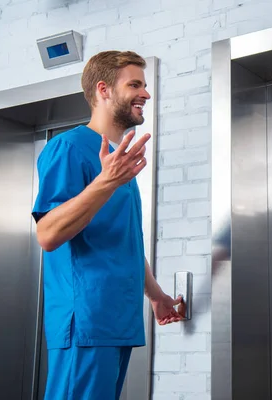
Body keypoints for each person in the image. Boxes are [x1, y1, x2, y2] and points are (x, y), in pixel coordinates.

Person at [32, 51, 185, 399]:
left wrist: (155, 294)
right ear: (103, 90)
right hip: (86, 322)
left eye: (145, 85)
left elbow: (122, 240)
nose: (146, 93)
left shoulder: (118, 164)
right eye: (134, 84)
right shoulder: (68, 149)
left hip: (117, 321)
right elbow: (48, 234)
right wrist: (105, 182)